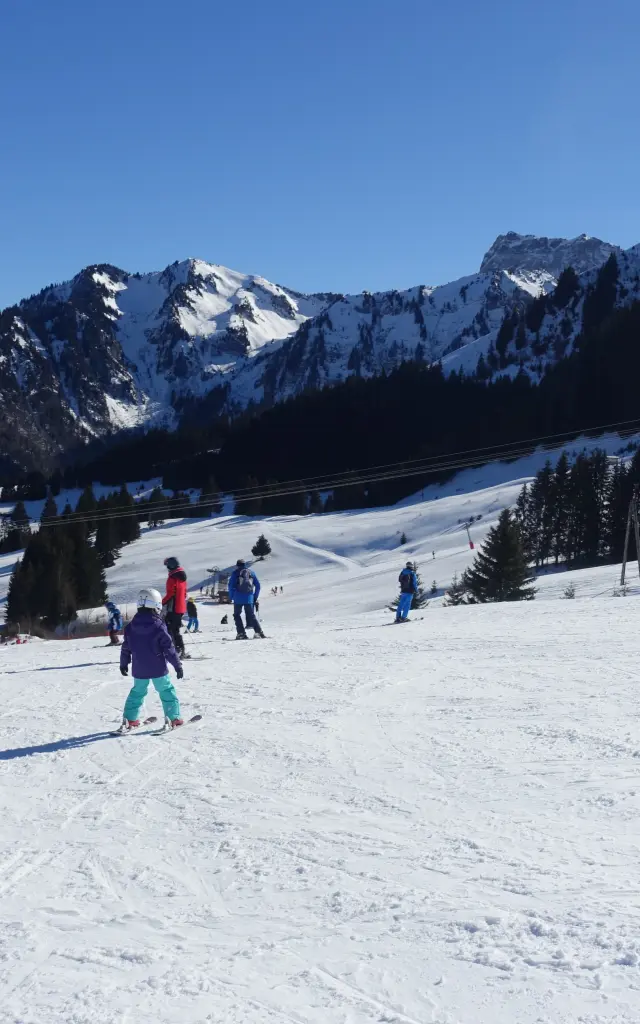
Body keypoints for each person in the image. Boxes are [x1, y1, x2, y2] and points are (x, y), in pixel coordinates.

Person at [119, 588, 184, 731]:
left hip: (139, 668)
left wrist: (123, 663)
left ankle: (130, 719)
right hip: (158, 668)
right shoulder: (159, 626)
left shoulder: (131, 626)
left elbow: (125, 647)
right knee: (166, 691)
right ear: (156, 605)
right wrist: (177, 665)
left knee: (137, 693)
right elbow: (169, 648)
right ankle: (174, 718)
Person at [228, 559, 265, 639]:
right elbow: (258, 586)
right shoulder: (251, 573)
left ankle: (241, 633)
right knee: (251, 615)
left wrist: (231, 597)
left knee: (237, 615)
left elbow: (231, 586)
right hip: (249, 598)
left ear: (237, 565)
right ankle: (259, 632)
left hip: (238, 598)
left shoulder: (235, 573)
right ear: (245, 565)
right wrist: (254, 597)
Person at [162, 556, 188, 658]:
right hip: (181, 607)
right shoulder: (182, 577)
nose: (167, 568)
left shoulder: (172, 578)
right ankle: (178, 649)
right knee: (174, 629)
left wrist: (162, 602)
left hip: (173, 607)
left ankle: (178, 650)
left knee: (171, 629)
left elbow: (170, 594)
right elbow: (184, 593)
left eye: (167, 565)